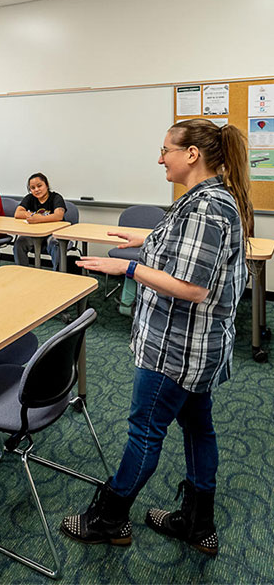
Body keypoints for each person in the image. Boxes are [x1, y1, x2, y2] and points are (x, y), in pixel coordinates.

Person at [60, 119, 253, 557]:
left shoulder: (205, 208)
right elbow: (186, 250)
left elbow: (192, 286)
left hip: (176, 348)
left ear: (192, 155)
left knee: (144, 433)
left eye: (166, 149)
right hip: (198, 348)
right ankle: (198, 523)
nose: (159, 157)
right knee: (198, 428)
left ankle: (110, 519)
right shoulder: (210, 200)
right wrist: (144, 238)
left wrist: (126, 267)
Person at [13, 173, 66, 270]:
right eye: (32, 188)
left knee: (55, 244)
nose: (36, 190)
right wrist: (32, 216)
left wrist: (38, 219)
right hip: (35, 234)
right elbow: (17, 213)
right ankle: (22, 272)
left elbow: (59, 215)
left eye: (39, 186)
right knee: (19, 243)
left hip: (53, 234)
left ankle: (58, 275)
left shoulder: (56, 197)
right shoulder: (29, 198)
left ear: (46, 185)